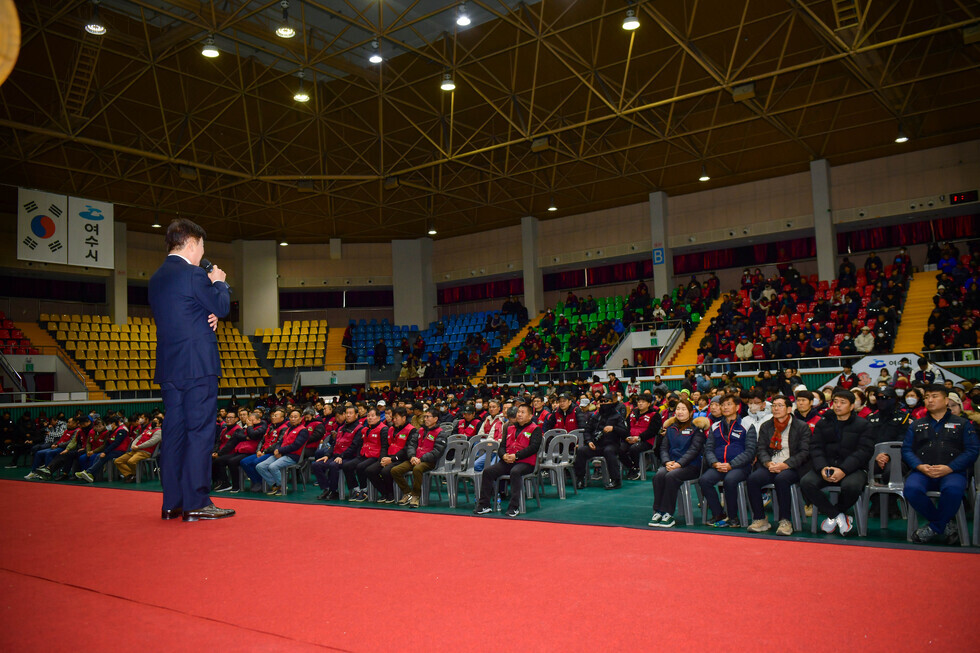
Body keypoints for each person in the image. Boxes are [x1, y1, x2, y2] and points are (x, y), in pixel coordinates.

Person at [148, 218, 234, 522]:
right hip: (197, 366)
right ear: (192, 243)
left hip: (170, 368)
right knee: (199, 433)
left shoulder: (157, 278)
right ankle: (197, 501)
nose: (202, 253)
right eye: (202, 247)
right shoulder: (194, 274)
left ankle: (172, 503)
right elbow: (222, 307)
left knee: (174, 435)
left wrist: (207, 311)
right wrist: (219, 283)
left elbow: (184, 311)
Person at [902, 385, 979, 544]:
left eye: (934, 396)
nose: (930, 400)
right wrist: (919, 466)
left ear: (945, 400)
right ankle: (945, 525)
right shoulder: (916, 424)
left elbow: (972, 450)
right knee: (911, 489)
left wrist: (950, 467)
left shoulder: (963, 424)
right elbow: (907, 450)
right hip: (923, 471)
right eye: (927, 397)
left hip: (952, 471)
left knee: (953, 490)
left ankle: (934, 527)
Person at [800, 389, 873, 536]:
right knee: (806, 482)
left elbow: (864, 451)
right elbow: (815, 447)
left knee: (852, 486)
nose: (838, 405)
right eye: (835, 402)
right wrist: (822, 467)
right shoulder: (823, 423)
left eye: (843, 402)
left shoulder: (863, 425)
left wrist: (844, 470)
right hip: (826, 466)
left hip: (853, 468)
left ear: (852, 406)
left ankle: (836, 513)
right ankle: (837, 515)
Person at [745, 395, 811, 535]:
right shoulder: (767, 426)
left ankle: (785, 521)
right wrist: (768, 462)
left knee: (782, 479)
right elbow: (761, 448)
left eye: (780, 405)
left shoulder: (801, 426)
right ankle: (760, 519)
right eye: (774, 405)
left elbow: (804, 452)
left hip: (792, 466)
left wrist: (786, 465)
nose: (776, 408)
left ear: (789, 409)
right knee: (753, 479)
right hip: (771, 465)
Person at [472, 403, 542, 517]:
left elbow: (534, 448)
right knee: (488, 471)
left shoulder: (535, 429)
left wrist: (516, 456)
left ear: (530, 416)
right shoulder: (509, 428)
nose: (519, 414)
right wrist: (503, 455)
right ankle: (484, 505)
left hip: (526, 463)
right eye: (518, 412)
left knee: (515, 472)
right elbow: (502, 446)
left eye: (523, 412)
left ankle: (514, 507)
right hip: (508, 461)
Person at [700, 393, 758, 527]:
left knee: (730, 480)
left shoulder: (747, 425)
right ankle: (719, 514)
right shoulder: (715, 426)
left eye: (729, 404)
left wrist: (731, 465)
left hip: (739, 466)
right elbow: (708, 449)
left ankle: (733, 517)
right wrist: (715, 463)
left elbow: (750, 451)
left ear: (737, 407)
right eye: (722, 405)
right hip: (719, 465)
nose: (725, 407)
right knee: (704, 480)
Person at [649, 399, 708, 528]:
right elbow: (664, 448)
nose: (680, 411)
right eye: (678, 409)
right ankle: (658, 511)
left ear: (691, 412)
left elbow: (694, 450)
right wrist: (666, 462)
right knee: (659, 475)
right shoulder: (671, 428)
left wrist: (679, 464)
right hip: (671, 464)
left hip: (691, 466)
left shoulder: (696, 429)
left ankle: (668, 514)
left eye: (683, 409)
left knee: (671, 476)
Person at [391, 407, 448, 508]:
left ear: (435, 419)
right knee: (395, 470)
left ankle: (416, 495)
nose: (425, 419)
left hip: (429, 461)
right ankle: (407, 492)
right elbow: (411, 445)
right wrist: (412, 456)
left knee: (417, 469)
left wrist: (421, 459)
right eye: (425, 416)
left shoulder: (440, 433)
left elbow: (437, 452)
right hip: (415, 459)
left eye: (428, 417)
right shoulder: (420, 430)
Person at [573, 393, 629, 490]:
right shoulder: (596, 416)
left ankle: (616, 480)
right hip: (596, 444)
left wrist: (614, 428)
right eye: (601, 401)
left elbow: (625, 432)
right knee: (581, 450)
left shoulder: (617, 416)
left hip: (612, 444)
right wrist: (588, 441)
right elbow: (587, 430)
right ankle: (580, 479)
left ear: (612, 402)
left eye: (606, 401)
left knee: (609, 451)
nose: (603, 403)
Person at [255, 408, 308, 495]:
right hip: (281, 454)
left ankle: (282, 487)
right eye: (291, 417)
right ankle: (275, 485)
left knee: (273, 467)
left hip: (292, 456)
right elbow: (280, 442)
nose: (293, 419)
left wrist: (280, 450)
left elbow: (295, 446)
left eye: (295, 417)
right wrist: (277, 450)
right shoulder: (288, 429)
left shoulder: (303, 430)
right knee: (260, 466)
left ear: (300, 418)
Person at [343, 407, 388, 502]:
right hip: (363, 455)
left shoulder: (383, 429)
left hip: (375, 456)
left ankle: (364, 490)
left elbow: (384, 446)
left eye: (372, 416)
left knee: (360, 467)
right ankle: (356, 489)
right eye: (368, 416)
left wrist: (381, 460)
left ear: (378, 417)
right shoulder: (365, 429)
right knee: (347, 466)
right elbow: (360, 444)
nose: (370, 418)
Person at [621, 392, 662, 480]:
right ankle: (631, 467)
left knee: (634, 448)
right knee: (619, 448)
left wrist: (639, 438)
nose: (640, 403)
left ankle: (636, 469)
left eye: (643, 402)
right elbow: (626, 427)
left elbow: (653, 431)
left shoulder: (654, 415)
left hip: (646, 441)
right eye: (639, 401)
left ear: (649, 403)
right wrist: (627, 437)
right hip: (630, 439)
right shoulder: (632, 412)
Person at [114, 416, 162, 482]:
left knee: (131, 461)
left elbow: (151, 442)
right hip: (135, 450)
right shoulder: (148, 430)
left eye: (156, 421)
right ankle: (130, 474)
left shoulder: (159, 432)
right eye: (153, 421)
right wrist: (133, 445)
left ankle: (135, 475)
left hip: (145, 452)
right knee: (117, 461)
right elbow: (138, 438)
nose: (153, 422)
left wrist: (139, 447)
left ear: (160, 424)